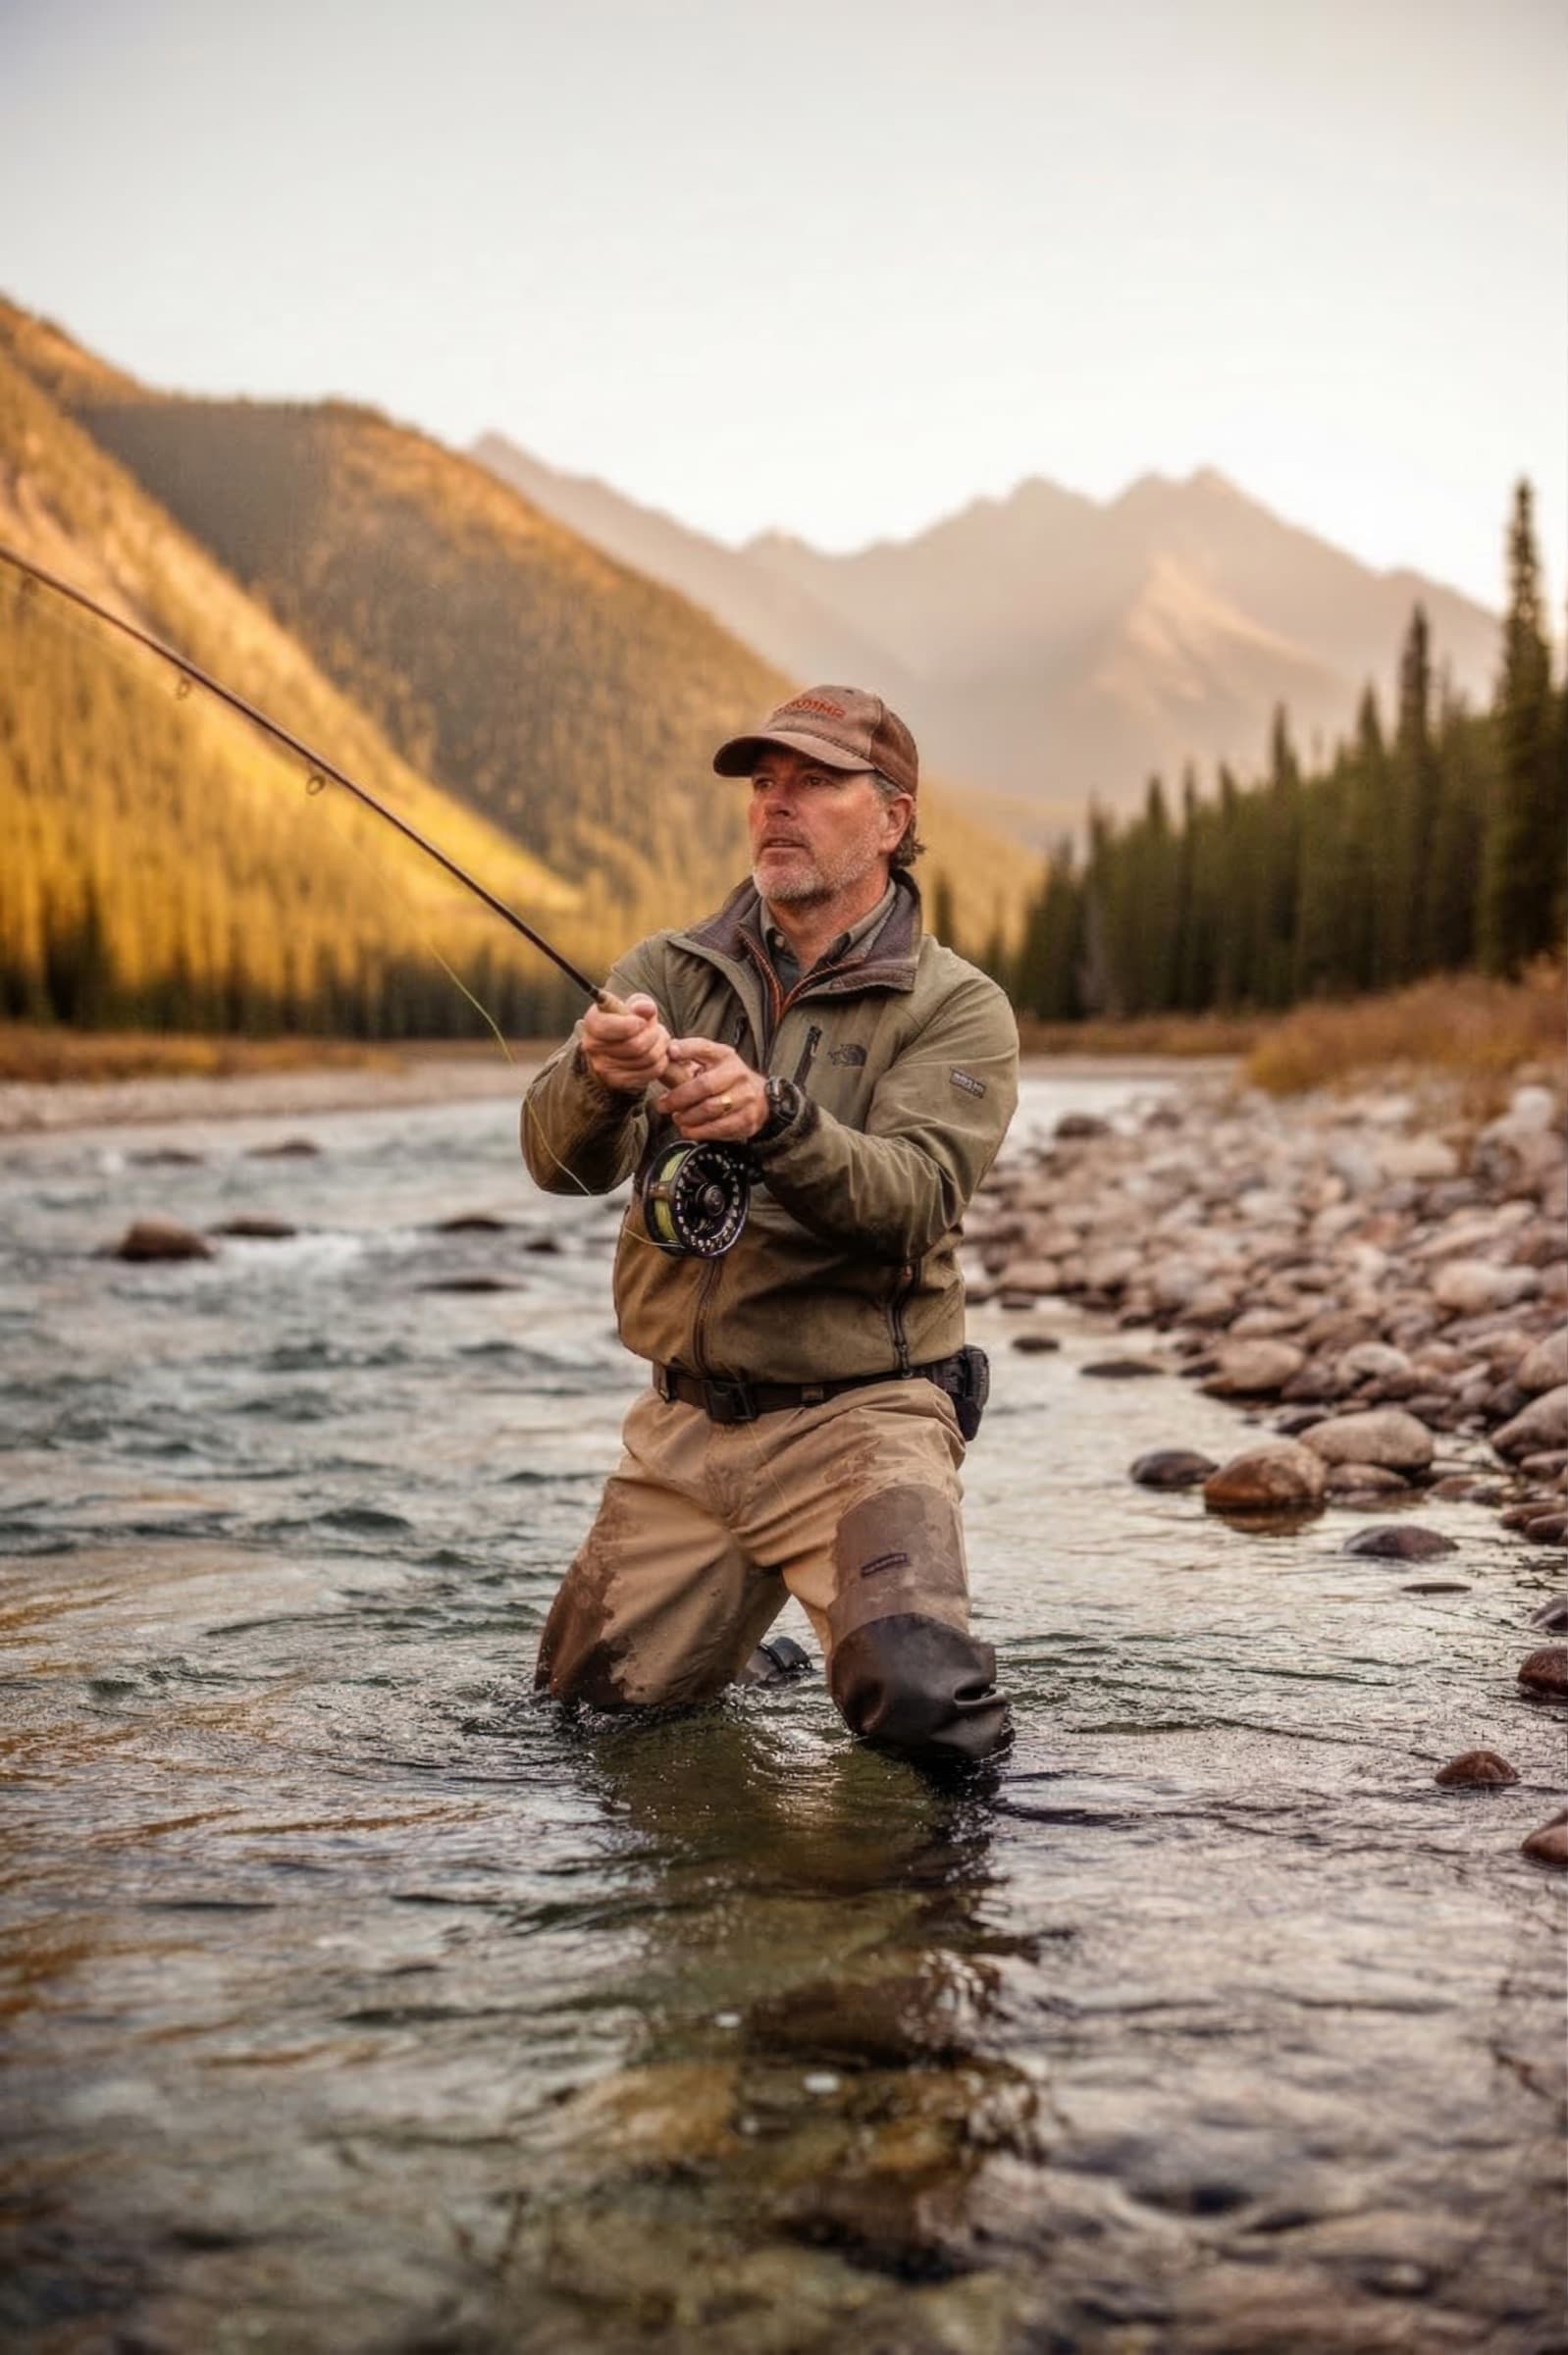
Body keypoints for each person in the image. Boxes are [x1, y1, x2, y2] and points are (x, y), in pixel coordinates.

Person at [521, 686, 1019, 1764]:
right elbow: (556, 1166)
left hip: (863, 1421)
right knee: (579, 1730)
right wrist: (597, 1082)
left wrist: (775, 1117)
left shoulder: (954, 1006)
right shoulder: (665, 973)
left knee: (925, 1709)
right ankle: (752, 1651)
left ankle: (945, 1918)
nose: (775, 808)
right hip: (681, 1437)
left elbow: (914, 1200)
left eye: (813, 783)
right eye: (762, 785)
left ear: (892, 820)